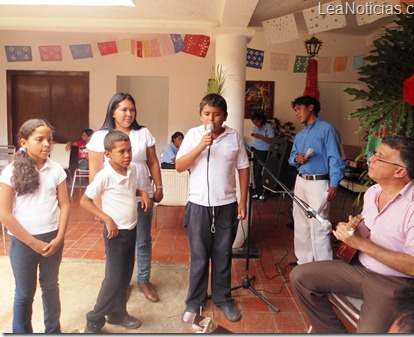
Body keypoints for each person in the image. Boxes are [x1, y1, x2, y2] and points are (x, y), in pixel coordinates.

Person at [290, 135, 414, 333]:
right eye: (375, 154)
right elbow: (370, 234)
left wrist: (361, 243)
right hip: (360, 269)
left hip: (395, 283)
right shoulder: (372, 192)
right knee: (301, 276)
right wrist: (351, 231)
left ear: (400, 171)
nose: (371, 159)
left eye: (380, 157)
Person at [176, 93, 249, 323]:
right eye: (207, 114)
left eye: (217, 114)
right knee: (198, 256)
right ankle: (194, 301)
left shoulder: (234, 137)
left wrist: (243, 200)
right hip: (198, 205)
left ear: (225, 116)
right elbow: (179, 166)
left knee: (223, 254)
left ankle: (223, 298)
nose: (212, 118)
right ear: (200, 116)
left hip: (226, 205)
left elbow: (244, 168)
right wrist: (200, 146)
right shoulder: (193, 135)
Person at [87, 93, 163, 303]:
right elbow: (94, 174)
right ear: (113, 111)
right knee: (119, 243)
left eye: (132, 110)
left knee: (143, 240)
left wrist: (159, 185)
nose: (129, 114)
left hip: (143, 195)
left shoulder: (143, 133)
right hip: (114, 200)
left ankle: (144, 279)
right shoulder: (100, 137)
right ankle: (121, 282)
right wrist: (99, 209)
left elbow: (153, 162)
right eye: (123, 110)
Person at [0, 119, 70, 333]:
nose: (47, 144)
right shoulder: (11, 171)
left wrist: (58, 238)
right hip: (24, 242)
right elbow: (4, 213)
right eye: (39, 139)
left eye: (49, 139)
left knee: (50, 287)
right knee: (24, 293)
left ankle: (53, 330)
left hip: (52, 239)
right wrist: (32, 243)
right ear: (24, 141)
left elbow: (65, 204)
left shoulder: (56, 169)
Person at [81, 131, 151, 333]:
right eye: (121, 152)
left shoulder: (130, 170)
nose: (127, 155)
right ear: (108, 154)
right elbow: (84, 201)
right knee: (114, 278)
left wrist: (143, 192)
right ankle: (94, 319)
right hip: (115, 234)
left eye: (129, 150)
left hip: (131, 229)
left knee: (124, 275)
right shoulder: (105, 175)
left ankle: (117, 313)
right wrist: (106, 218)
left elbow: (130, 190)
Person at [288, 95, 345, 266]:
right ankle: (304, 260)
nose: (297, 113)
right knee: (300, 221)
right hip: (301, 181)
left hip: (319, 182)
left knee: (319, 222)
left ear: (310, 107)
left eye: (299, 109)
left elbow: (335, 158)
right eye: (295, 110)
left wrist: (334, 184)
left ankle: (323, 265)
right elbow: (291, 157)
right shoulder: (300, 135)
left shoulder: (327, 130)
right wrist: (296, 159)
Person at [250, 110, 275, 200]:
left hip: (264, 151)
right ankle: (257, 191)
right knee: (255, 172)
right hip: (255, 149)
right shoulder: (255, 128)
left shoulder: (268, 127)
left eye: (257, 122)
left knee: (261, 172)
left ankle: (264, 192)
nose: (255, 124)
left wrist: (260, 136)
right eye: (254, 122)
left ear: (261, 120)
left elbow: (271, 141)